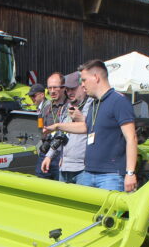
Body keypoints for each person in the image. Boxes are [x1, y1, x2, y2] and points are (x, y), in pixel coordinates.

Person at [52, 60, 138, 191]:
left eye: (84, 80)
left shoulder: (119, 101)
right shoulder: (94, 103)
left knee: (108, 212)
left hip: (111, 175)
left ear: (96, 78)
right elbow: (86, 127)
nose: (82, 85)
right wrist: (58, 126)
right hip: (88, 172)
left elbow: (131, 138)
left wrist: (130, 173)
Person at [42, 71, 90, 183]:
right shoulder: (68, 107)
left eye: (73, 89)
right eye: (67, 89)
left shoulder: (92, 105)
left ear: (82, 86)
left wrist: (82, 118)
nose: (69, 93)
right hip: (65, 166)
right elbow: (61, 135)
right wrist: (49, 156)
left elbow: (95, 128)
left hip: (83, 169)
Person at [35, 73, 69, 180]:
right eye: (50, 88)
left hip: (61, 155)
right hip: (45, 152)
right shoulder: (46, 107)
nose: (52, 91)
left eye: (55, 87)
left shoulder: (70, 106)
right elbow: (40, 128)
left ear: (63, 88)